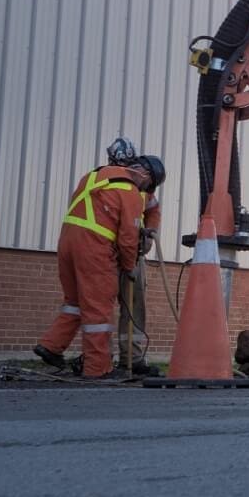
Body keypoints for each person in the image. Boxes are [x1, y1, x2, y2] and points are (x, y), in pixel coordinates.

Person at [33, 151, 157, 379]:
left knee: (75, 303)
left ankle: (50, 346)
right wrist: (129, 267)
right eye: (149, 185)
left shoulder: (93, 176)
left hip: (68, 244)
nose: (146, 191)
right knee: (99, 308)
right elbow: (128, 238)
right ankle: (98, 368)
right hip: (94, 248)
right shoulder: (129, 190)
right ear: (145, 174)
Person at [106, 140, 166, 376]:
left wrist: (149, 234)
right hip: (108, 253)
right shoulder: (107, 181)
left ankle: (133, 358)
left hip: (134, 252)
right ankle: (101, 360)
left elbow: (153, 210)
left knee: (135, 305)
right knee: (101, 307)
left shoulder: (143, 186)